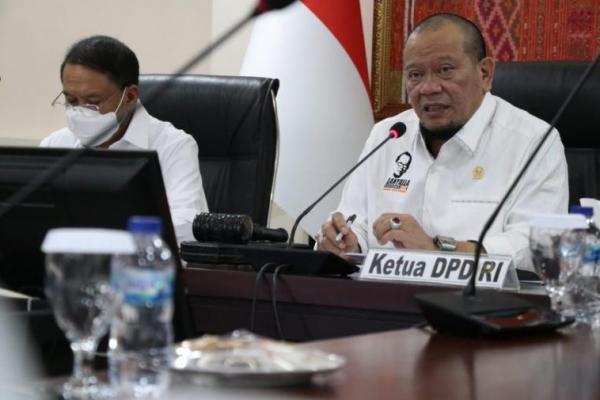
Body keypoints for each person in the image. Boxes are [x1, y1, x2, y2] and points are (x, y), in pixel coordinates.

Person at [317, 13, 568, 271]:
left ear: (485, 73)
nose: (428, 88)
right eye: (415, 75)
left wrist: (439, 251)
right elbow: (355, 220)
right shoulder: (388, 135)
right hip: (383, 294)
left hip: (480, 296)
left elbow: (538, 246)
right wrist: (347, 243)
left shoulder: (533, 141)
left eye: (444, 70)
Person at [40, 35, 208, 242]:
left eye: (93, 101)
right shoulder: (54, 145)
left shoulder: (173, 146)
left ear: (129, 96)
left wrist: (104, 238)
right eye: (71, 100)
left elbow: (186, 227)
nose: (80, 111)